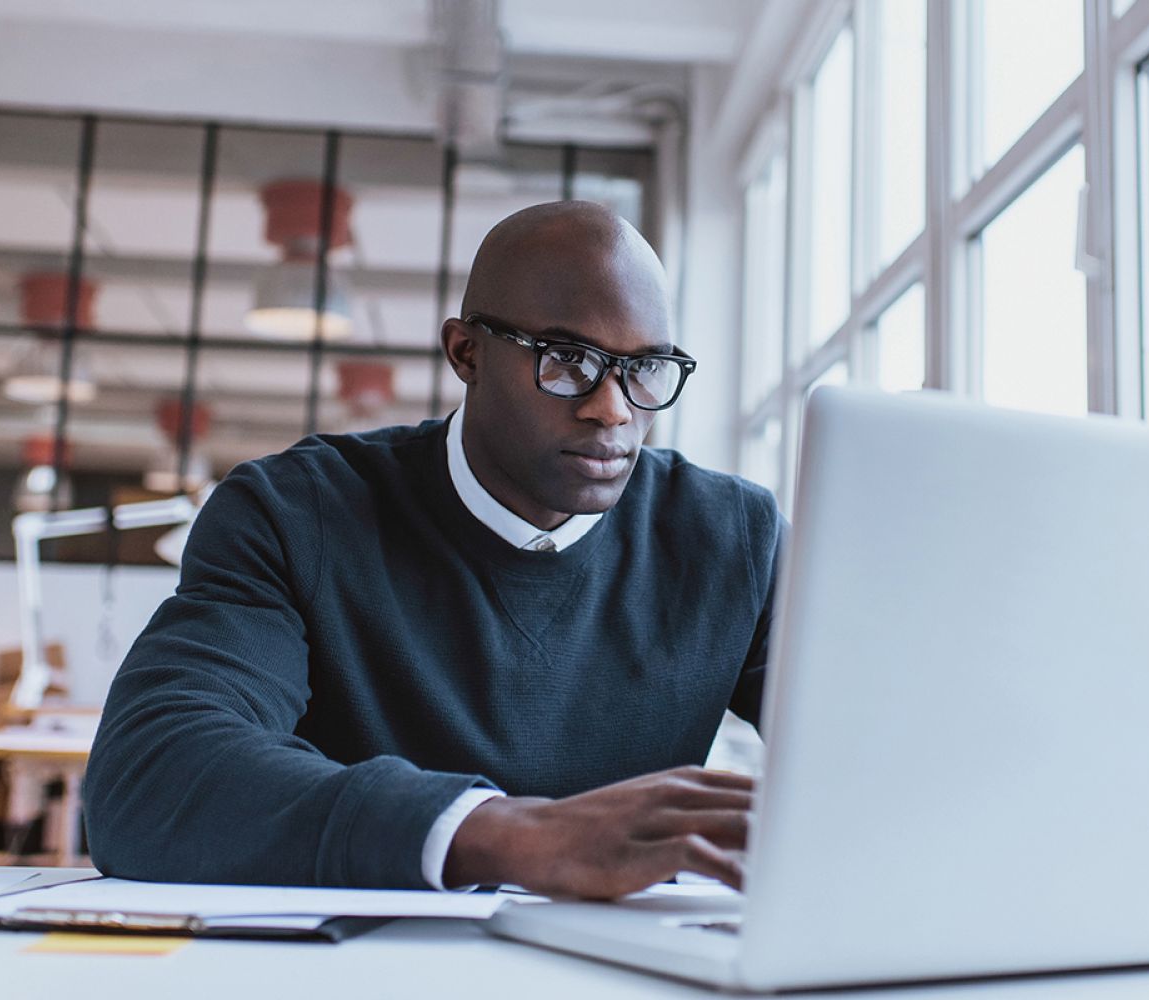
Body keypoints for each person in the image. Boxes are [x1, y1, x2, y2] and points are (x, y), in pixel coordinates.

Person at [82, 201, 784, 899]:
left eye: (648, 367)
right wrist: (503, 836)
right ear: (466, 353)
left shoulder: (733, 538)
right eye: (567, 361)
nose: (615, 409)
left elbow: (873, 744)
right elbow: (150, 775)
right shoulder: (298, 513)